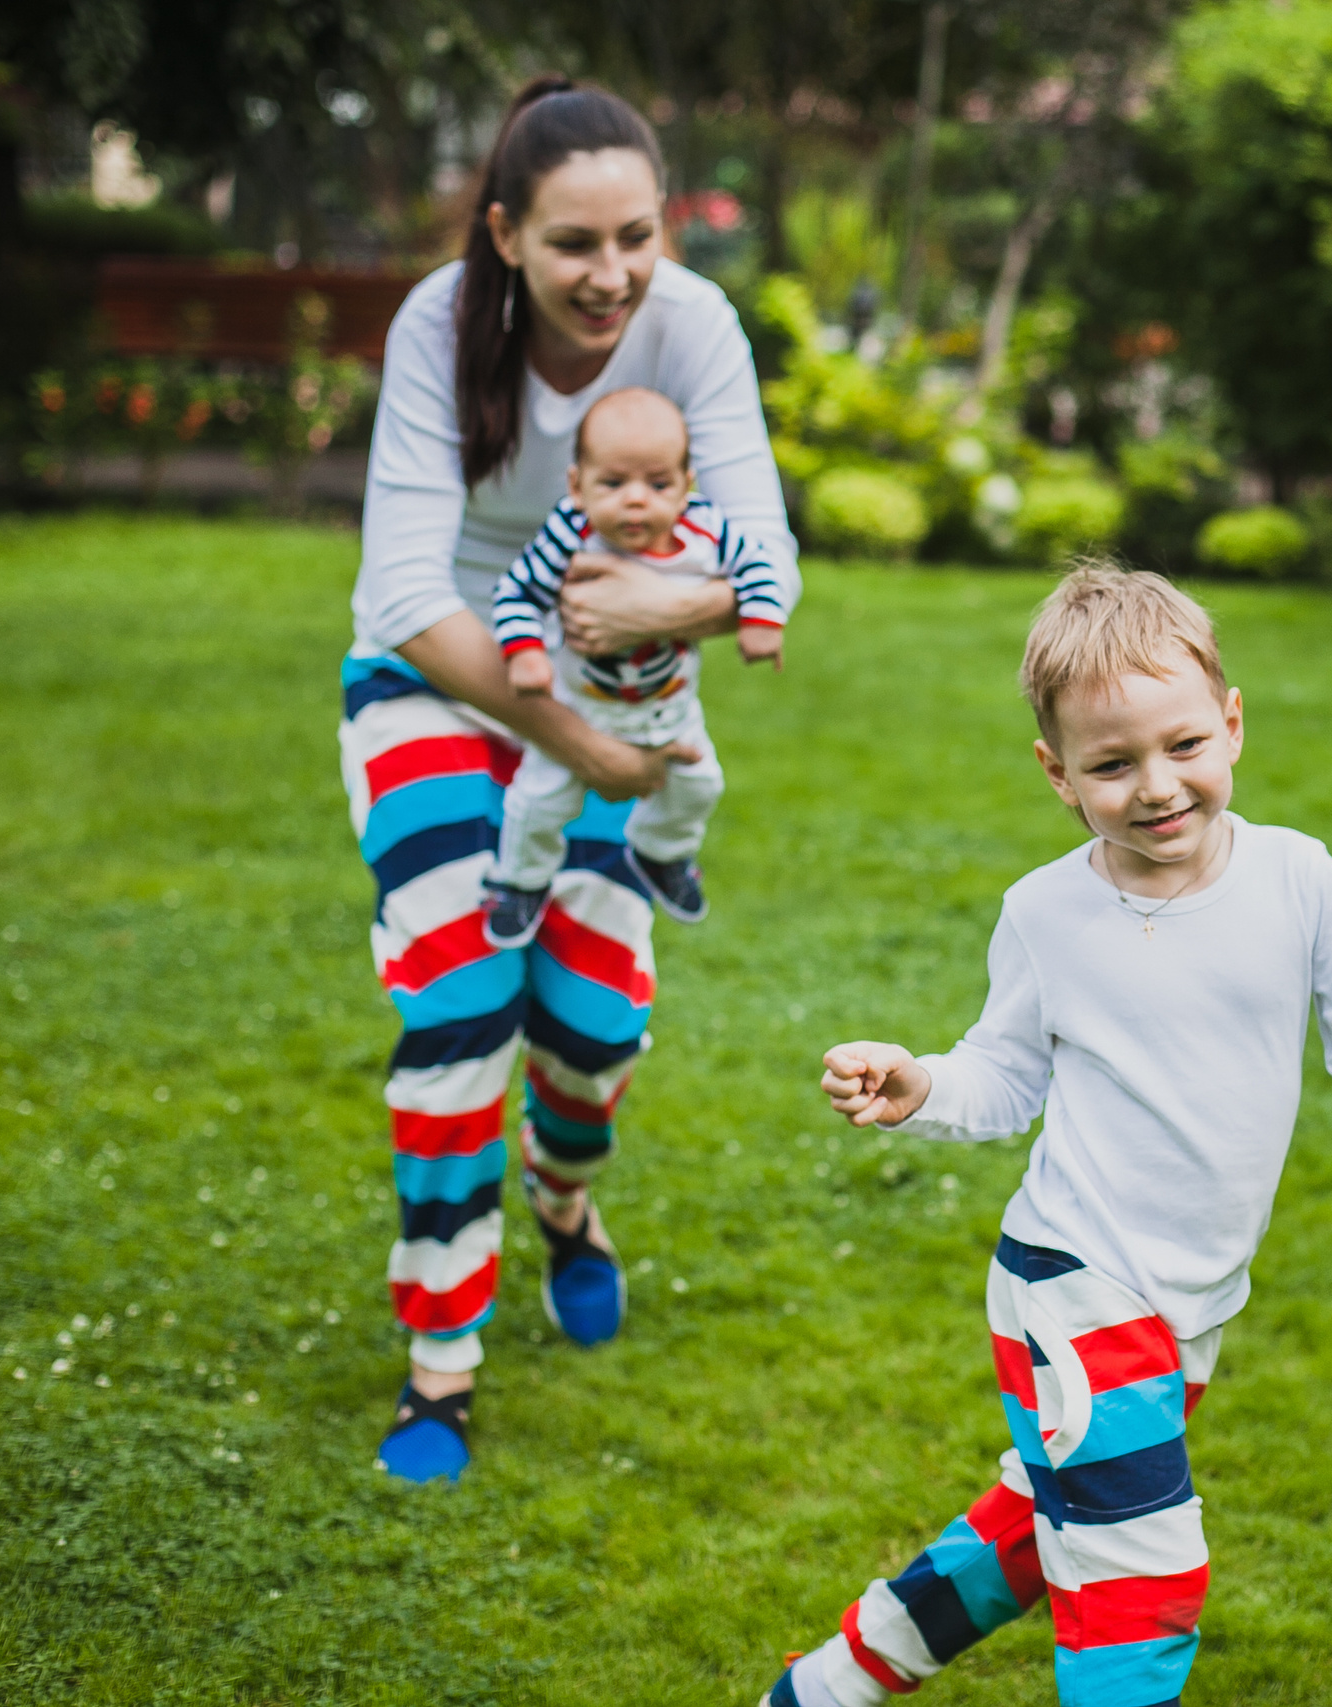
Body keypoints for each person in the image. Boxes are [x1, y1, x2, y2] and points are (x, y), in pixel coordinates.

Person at [764, 563, 1332, 1707]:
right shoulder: (1045, 913)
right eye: (1112, 765)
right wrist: (920, 1083)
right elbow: (1005, 1074)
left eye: (1184, 746)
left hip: (1186, 1303)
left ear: (1233, 722)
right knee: (1143, 1576)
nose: (1157, 787)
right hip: (1071, 1285)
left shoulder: (1298, 880)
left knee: (1029, 1539)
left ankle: (824, 1689)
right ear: (1058, 774)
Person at [341, 74, 799, 1483]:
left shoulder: (696, 325)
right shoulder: (439, 326)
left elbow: (760, 550)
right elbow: (409, 589)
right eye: (572, 245)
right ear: (504, 236)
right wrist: (583, 747)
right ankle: (441, 1359)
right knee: (459, 994)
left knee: (592, 1026)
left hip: (617, 688)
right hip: (436, 679)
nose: (610, 277)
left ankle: (565, 1191)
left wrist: (659, 618)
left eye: (636, 238)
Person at [484, 386, 788, 939]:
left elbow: (760, 568)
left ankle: (660, 851)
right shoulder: (568, 535)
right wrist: (524, 651)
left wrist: (762, 621)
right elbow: (515, 593)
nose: (636, 501)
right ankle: (520, 881)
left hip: (671, 713)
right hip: (578, 709)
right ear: (577, 486)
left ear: (686, 485)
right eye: (613, 483)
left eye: (658, 484)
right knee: (536, 803)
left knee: (701, 787)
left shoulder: (706, 529)